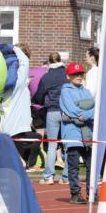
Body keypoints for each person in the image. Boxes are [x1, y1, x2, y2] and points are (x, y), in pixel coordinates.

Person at [59, 62, 95, 204]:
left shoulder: (87, 91)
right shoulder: (65, 91)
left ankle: (92, 194)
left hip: (87, 134)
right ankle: (75, 194)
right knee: (73, 166)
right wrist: (87, 113)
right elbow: (71, 110)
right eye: (75, 74)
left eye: (80, 74)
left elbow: (95, 109)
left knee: (91, 165)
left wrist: (86, 115)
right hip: (72, 133)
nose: (79, 76)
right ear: (68, 76)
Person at [34, 52, 67, 184]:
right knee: (67, 144)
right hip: (67, 111)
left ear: (49, 62)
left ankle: (49, 176)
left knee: (52, 144)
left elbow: (39, 96)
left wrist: (39, 101)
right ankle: (66, 176)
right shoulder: (67, 74)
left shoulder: (46, 77)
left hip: (52, 110)